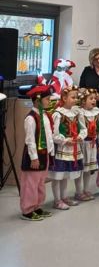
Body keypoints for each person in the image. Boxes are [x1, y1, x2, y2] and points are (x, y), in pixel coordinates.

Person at [20, 80, 54, 221]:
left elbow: (49, 136)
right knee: (31, 184)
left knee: (40, 182)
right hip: (34, 157)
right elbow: (30, 140)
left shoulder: (45, 115)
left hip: (44, 154)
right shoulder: (31, 118)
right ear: (37, 101)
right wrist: (34, 158)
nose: (49, 101)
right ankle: (27, 210)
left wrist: (51, 152)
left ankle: (37, 206)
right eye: (47, 99)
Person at [51, 85, 86, 210]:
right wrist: (65, 140)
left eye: (76, 97)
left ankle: (64, 197)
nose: (76, 99)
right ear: (64, 98)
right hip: (62, 149)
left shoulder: (76, 113)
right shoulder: (58, 114)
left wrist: (80, 136)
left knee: (65, 175)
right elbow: (54, 134)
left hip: (73, 148)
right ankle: (57, 200)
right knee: (58, 176)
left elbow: (83, 128)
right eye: (73, 97)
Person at [76, 88, 99, 202]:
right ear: (83, 101)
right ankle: (79, 191)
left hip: (92, 144)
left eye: (94, 98)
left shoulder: (97, 112)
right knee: (81, 169)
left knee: (88, 169)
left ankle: (86, 189)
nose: (93, 100)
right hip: (82, 144)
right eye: (90, 98)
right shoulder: (80, 113)